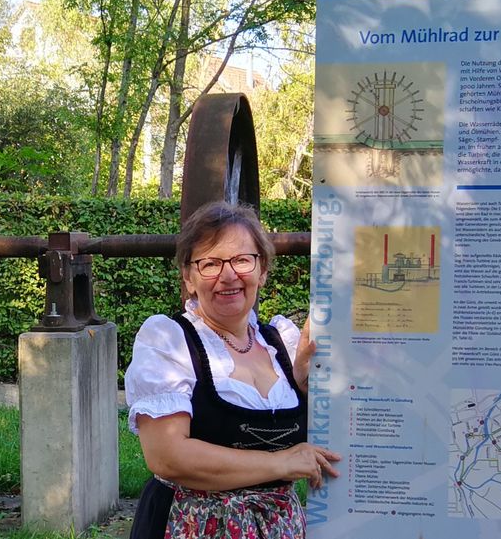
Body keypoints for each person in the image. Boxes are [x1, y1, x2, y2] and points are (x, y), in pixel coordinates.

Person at [124, 201, 341, 539]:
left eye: (242, 260)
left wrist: (304, 387)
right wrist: (282, 462)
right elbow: (168, 457)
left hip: (278, 527)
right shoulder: (169, 341)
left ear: (263, 270)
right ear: (189, 277)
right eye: (210, 263)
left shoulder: (283, 343)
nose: (228, 275)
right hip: (190, 526)